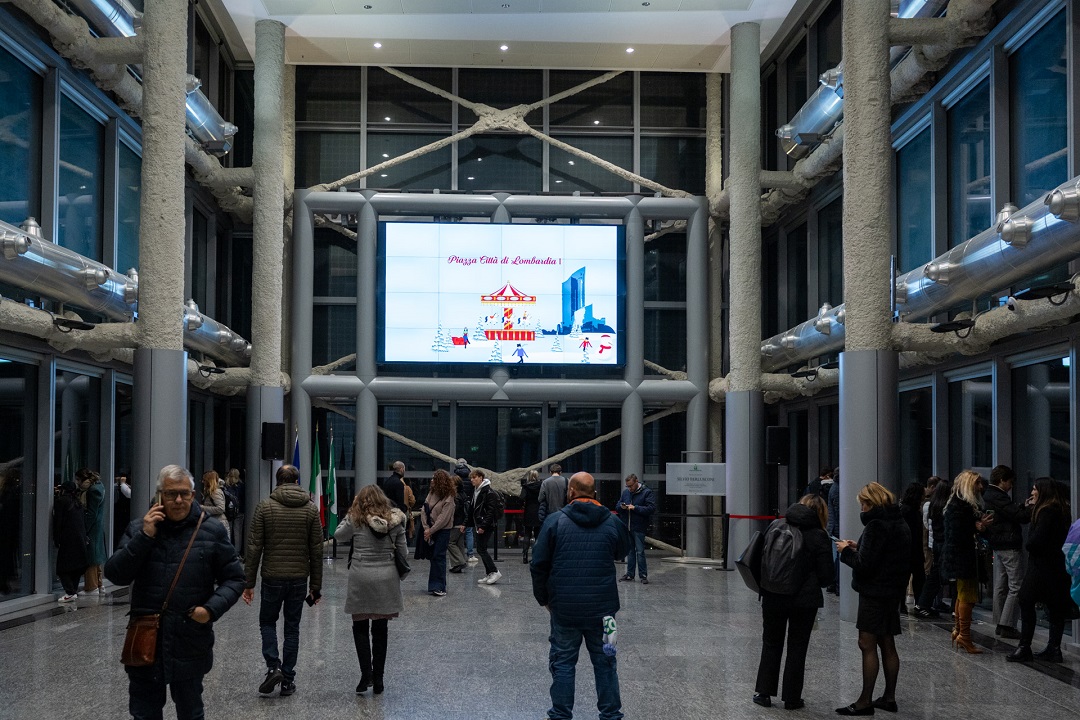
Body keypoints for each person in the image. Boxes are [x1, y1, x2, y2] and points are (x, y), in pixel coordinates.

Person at [105, 464, 245, 720]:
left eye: (184, 493)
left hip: (190, 640)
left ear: (193, 495)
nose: (178, 500)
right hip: (146, 640)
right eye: (171, 494)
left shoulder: (211, 531)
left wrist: (210, 609)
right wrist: (145, 537)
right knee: (144, 713)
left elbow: (235, 578)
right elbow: (115, 574)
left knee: (191, 713)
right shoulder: (139, 528)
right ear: (160, 495)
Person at [530, 472, 631, 720]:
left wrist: (544, 599)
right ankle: (611, 715)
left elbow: (538, 564)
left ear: (571, 492)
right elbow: (623, 550)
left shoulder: (555, 521)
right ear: (594, 493)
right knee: (607, 662)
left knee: (563, 663)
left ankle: (560, 715)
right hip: (605, 612)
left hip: (565, 610)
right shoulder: (613, 522)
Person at [242, 464, 323, 697]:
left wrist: (249, 583)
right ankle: (287, 679)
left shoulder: (264, 507)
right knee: (292, 628)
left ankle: (273, 666)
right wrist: (315, 587)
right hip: (299, 578)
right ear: (297, 482)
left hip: (272, 577)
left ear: (277, 482)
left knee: (267, 622)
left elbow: (254, 546)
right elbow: (316, 550)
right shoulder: (310, 510)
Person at [834, 482, 911, 716]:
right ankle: (889, 697)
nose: (862, 508)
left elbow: (865, 565)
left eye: (863, 504)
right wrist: (860, 547)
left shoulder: (876, 525)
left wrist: (845, 551)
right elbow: (886, 555)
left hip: (875, 593)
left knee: (866, 644)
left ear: (870, 503)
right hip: (891, 591)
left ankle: (864, 701)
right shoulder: (898, 521)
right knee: (887, 643)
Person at [753, 495, 834, 710]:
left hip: (772, 593)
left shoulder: (776, 525)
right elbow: (827, 577)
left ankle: (763, 693)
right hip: (803, 601)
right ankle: (792, 698)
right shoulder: (819, 535)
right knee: (797, 647)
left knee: (771, 642)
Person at [333, 484, 408, 695]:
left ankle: (365, 674)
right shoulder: (395, 521)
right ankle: (379, 679)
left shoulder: (356, 519)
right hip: (386, 578)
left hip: (361, 577)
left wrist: (351, 511)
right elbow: (404, 552)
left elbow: (338, 535)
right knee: (381, 630)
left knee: (359, 628)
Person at [1007, 478, 1074, 663]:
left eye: (1035, 489)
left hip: (1041, 566)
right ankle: (1054, 648)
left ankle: (1024, 646)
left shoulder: (1046, 512)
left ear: (1043, 491)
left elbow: (1036, 541)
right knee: (1055, 607)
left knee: (1025, 599)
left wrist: (1029, 544)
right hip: (1057, 566)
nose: (1032, 493)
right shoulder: (1061, 510)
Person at [940, 469, 994, 654]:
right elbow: (958, 533)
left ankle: (959, 631)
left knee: (962, 594)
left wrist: (977, 525)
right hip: (963, 557)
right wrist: (977, 526)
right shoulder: (962, 506)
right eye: (977, 483)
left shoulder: (956, 503)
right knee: (967, 596)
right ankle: (964, 635)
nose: (981, 487)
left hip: (958, 557)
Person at [982, 464, 1029, 639]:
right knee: (1016, 586)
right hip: (1008, 544)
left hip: (998, 544)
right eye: (1009, 482)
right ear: (1002, 481)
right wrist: (1030, 508)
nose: (1011, 486)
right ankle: (1007, 624)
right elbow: (1019, 516)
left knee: (1001, 585)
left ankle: (999, 622)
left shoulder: (989, 495)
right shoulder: (999, 497)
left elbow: (1012, 513)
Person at [912, 476, 952, 618]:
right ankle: (925, 604)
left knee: (935, 573)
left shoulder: (931, 505)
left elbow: (927, 525)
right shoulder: (947, 507)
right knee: (939, 575)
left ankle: (924, 604)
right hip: (944, 543)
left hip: (935, 543)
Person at [419, 468, 455, 596]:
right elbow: (424, 510)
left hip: (442, 531)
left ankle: (438, 586)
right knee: (433, 557)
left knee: (438, 557)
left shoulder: (449, 497)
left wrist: (430, 530)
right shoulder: (431, 493)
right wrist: (426, 528)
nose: (431, 480)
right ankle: (435, 585)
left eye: (434, 478)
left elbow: (444, 518)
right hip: (429, 529)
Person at [616, 473, 656, 585]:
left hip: (639, 527)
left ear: (636, 482)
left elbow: (651, 508)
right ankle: (630, 574)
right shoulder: (626, 493)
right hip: (627, 526)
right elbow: (617, 505)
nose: (629, 488)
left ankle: (643, 575)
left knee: (640, 551)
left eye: (631, 486)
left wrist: (635, 508)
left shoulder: (646, 492)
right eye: (627, 486)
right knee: (630, 551)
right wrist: (622, 507)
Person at [54, 480, 89, 602]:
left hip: (67, 539)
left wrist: (56, 538)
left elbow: (58, 521)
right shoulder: (78, 502)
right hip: (80, 538)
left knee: (62, 568)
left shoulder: (61, 501)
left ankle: (70, 592)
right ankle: (72, 590)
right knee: (76, 568)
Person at [468, 468, 502, 585]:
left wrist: (483, 526)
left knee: (481, 549)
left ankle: (495, 571)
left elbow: (490, 512)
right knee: (481, 549)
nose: (472, 480)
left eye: (474, 477)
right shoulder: (477, 491)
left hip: (486, 524)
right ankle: (490, 573)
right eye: (471, 478)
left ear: (481, 478)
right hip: (480, 524)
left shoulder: (488, 492)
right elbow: (473, 509)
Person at [76, 468, 106, 594]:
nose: (77, 482)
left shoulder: (92, 491)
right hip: (97, 526)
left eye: (78, 479)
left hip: (93, 527)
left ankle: (91, 587)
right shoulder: (99, 486)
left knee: (91, 557)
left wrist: (85, 529)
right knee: (96, 556)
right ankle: (99, 585)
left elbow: (91, 513)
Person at [898, 482, 926, 615]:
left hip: (908, 550)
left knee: (906, 578)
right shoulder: (910, 511)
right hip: (911, 550)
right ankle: (918, 603)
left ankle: (902, 605)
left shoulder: (907, 509)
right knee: (917, 578)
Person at [448, 460, 471, 572]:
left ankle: (460, 562)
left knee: (450, 542)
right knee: (459, 544)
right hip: (462, 522)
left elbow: (455, 510)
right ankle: (458, 565)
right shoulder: (464, 494)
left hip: (457, 523)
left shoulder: (456, 496)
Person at [520, 469, 542, 564]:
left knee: (527, 534)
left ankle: (525, 555)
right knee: (537, 535)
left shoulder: (525, 487)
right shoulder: (541, 486)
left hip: (528, 511)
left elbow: (521, 498)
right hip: (538, 511)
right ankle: (536, 555)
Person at [200, 470, 230, 537]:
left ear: (209, 481)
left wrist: (202, 508)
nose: (202, 482)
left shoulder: (215, 492)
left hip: (219, 523)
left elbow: (221, 508)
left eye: (204, 480)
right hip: (215, 522)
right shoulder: (211, 491)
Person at [826, 469, 840, 595]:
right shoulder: (837, 490)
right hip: (837, 529)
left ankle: (834, 583)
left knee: (836, 557)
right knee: (837, 558)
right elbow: (837, 511)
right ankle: (836, 584)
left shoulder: (834, 488)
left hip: (833, 528)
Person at [224, 468, 245, 553]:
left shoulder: (226, 486)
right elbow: (243, 499)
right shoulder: (241, 486)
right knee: (238, 532)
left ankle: (228, 551)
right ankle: (237, 552)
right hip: (239, 511)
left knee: (228, 531)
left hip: (229, 512)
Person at [114, 473, 132, 549]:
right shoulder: (121, 486)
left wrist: (123, 484)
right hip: (121, 511)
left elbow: (128, 494)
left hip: (125, 512)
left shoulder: (126, 487)